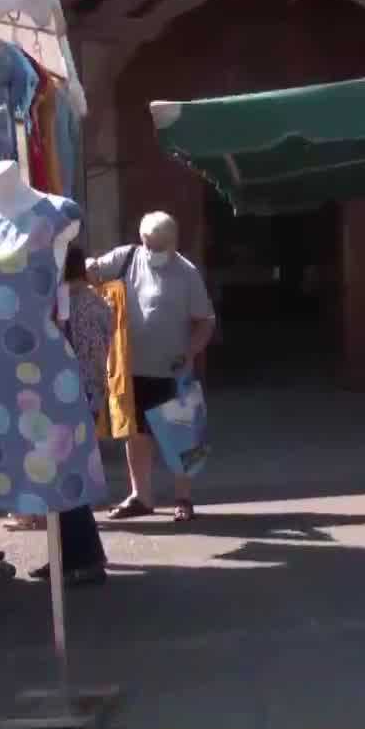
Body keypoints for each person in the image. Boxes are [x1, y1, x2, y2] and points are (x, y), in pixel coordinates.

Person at [87, 211, 215, 523]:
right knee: (137, 433)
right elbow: (92, 273)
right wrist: (89, 267)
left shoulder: (186, 273)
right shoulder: (127, 257)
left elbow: (205, 321)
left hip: (172, 368)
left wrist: (191, 351)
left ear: (173, 243)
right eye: (148, 244)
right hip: (131, 367)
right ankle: (140, 495)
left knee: (182, 435)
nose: (152, 251)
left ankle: (183, 498)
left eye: (159, 246)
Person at [35, 245, 111, 586]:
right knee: (64, 479)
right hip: (86, 395)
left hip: (71, 397)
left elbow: (71, 354)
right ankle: (65, 556)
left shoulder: (70, 305)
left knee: (66, 480)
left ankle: (86, 557)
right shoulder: (94, 301)